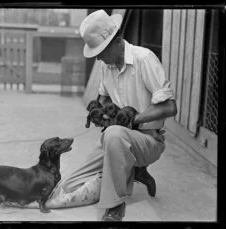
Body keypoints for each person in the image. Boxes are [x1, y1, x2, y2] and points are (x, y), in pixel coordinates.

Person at [54, 9, 178, 221]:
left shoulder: (144, 59)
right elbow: (104, 99)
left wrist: (132, 119)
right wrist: (99, 111)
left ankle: (115, 206)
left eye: (101, 51)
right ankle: (130, 171)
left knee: (113, 134)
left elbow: (170, 108)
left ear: (117, 40)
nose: (99, 57)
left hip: (149, 139)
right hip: (118, 140)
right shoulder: (107, 66)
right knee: (71, 185)